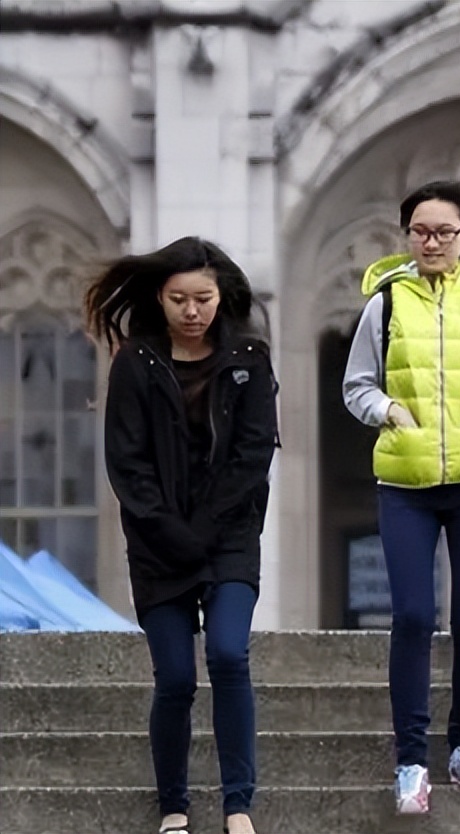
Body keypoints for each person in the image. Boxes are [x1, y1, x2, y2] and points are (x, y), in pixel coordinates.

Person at [342, 181, 460, 814]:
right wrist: (389, 410)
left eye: (443, 233)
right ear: (407, 236)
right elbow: (356, 385)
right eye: (420, 232)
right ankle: (411, 759)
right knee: (414, 617)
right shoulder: (386, 305)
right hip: (405, 481)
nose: (431, 243)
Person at [86, 237, 277, 834]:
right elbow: (127, 462)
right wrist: (170, 530)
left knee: (227, 653)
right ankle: (173, 804)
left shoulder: (250, 356)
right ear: (160, 299)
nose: (192, 311)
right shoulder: (136, 363)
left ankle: (238, 803)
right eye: (178, 299)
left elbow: (252, 456)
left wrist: (208, 529)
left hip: (230, 535)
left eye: (203, 298)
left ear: (222, 297)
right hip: (156, 542)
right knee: (174, 677)